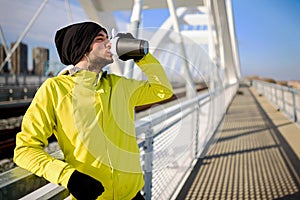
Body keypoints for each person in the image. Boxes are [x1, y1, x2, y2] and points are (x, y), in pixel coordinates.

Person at [13, 21, 173, 200]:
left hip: (133, 196)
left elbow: (162, 90)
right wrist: (69, 177)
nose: (110, 43)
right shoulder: (55, 89)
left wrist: (141, 56)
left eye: (108, 38)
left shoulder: (119, 85)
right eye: (100, 38)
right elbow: (25, 150)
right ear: (82, 48)